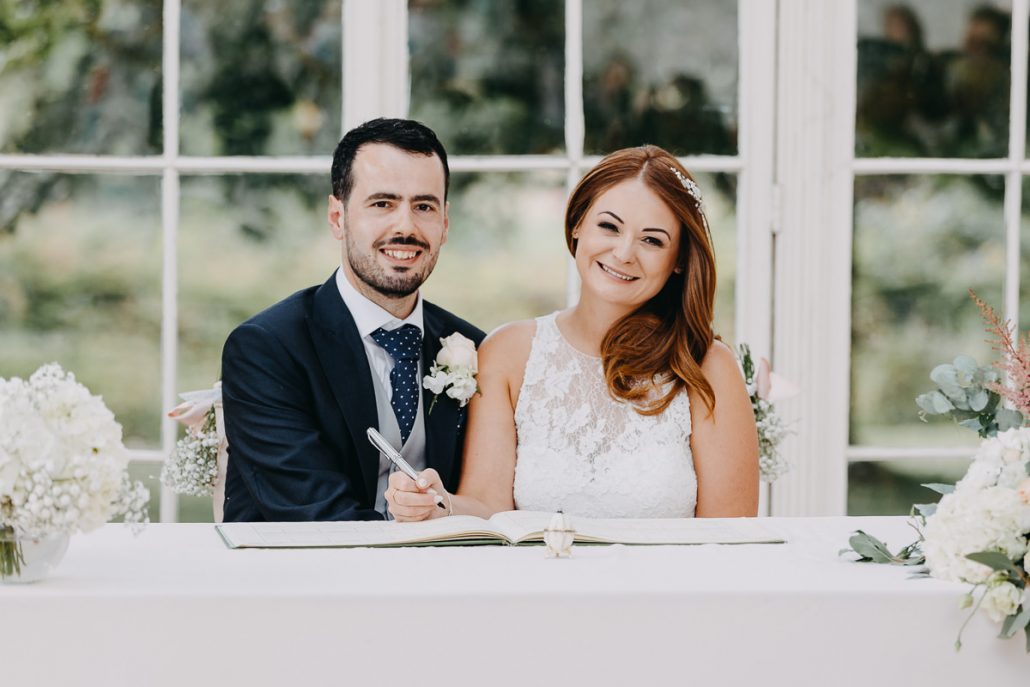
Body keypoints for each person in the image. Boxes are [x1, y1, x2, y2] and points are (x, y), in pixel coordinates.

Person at [387, 145, 758, 521]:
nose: (624, 253)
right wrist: (435, 502)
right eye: (609, 226)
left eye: (652, 240)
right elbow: (486, 506)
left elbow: (732, 540)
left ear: (679, 259)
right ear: (578, 223)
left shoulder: (707, 368)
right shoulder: (509, 353)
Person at [221, 118, 485, 522]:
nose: (406, 227)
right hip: (304, 579)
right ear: (337, 217)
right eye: (382, 204)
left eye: (424, 206)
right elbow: (311, 514)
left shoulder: (473, 346)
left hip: (441, 577)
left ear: (445, 223)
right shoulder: (267, 348)